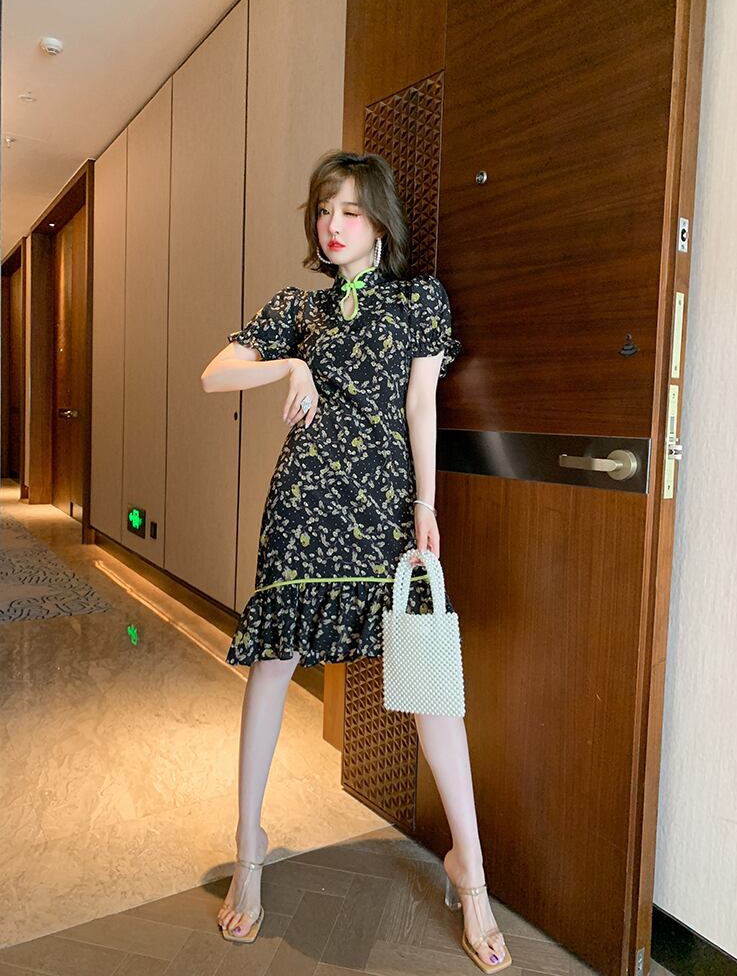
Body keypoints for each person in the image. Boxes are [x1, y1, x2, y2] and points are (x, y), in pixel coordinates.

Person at [200, 150, 511, 973]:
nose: (332, 225)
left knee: (428, 680)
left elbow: (421, 405)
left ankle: (471, 869)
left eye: (349, 210)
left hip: (384, 510)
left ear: (379, 221)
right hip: (303, 508)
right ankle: (250, 848)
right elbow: (214, 374)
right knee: (273, 664)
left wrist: (426, 506)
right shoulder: (298, 308)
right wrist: (292, 362)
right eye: (322, 210)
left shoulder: (418, 299)